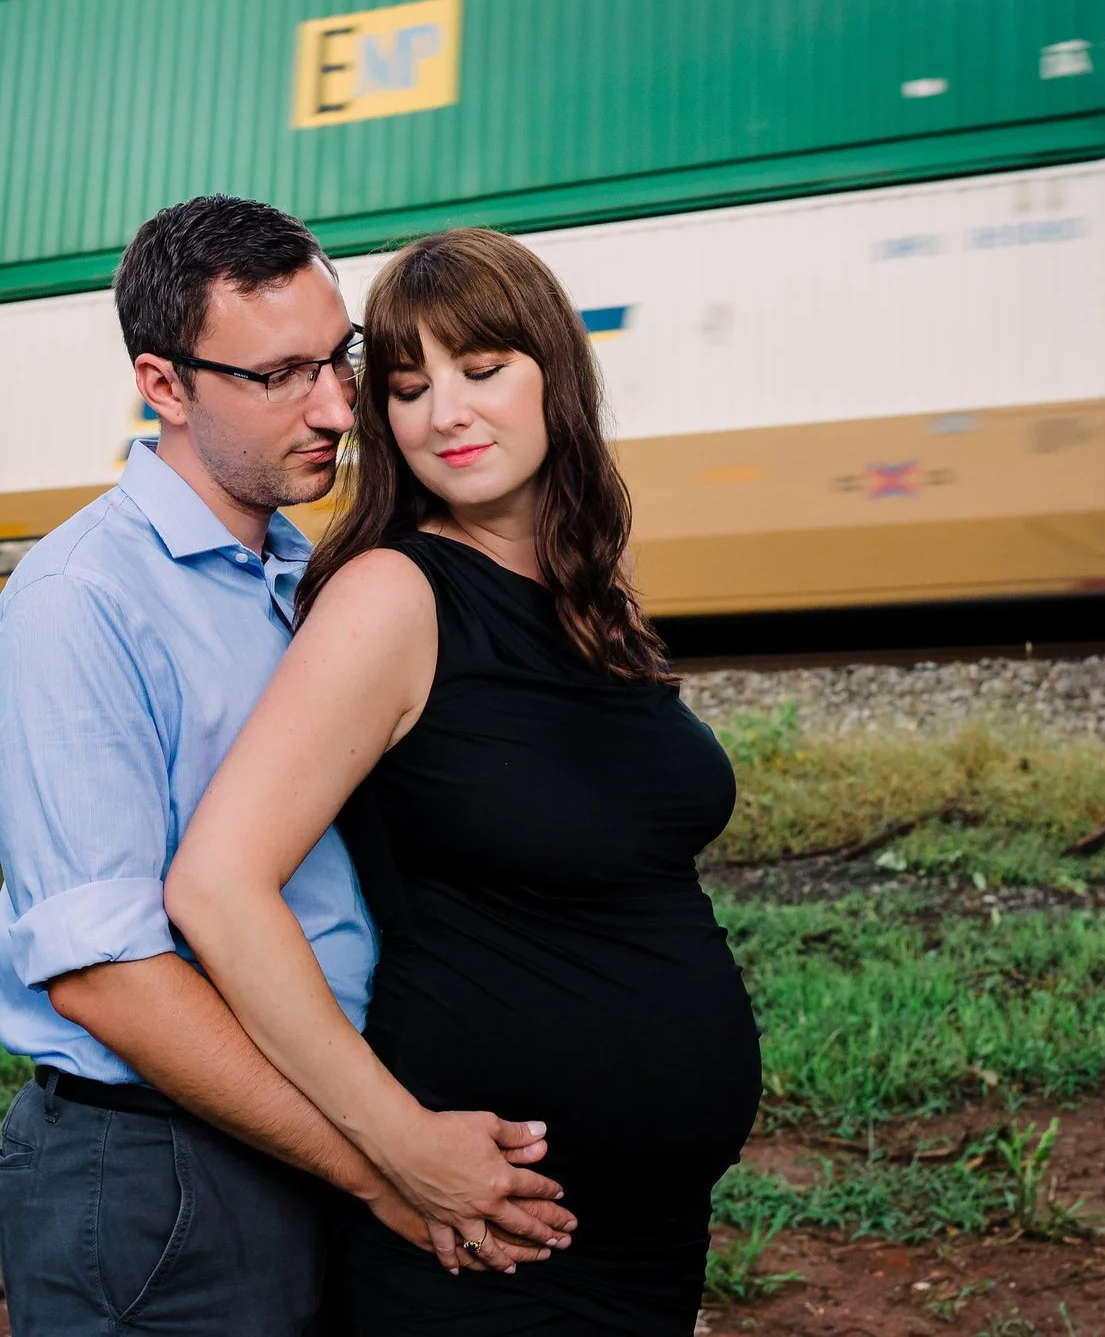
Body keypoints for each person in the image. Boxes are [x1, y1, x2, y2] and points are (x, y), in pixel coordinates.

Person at [0, 197, 573, 1337]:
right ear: (164, 384)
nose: (339, 407)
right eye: (282, 375)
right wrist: (382, 1158)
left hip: (309, 1132)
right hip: (164, 1171)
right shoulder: (79, 603)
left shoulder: (302, 574)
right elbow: (105, 972)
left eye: (339, 358)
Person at [167, 226, 763, 1335]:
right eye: (407, 388)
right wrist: (395, 1140)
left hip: (650, 1237)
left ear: (555, 372)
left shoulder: (590, 592)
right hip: (482, 1242)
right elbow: (216, 885)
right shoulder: (395, 594)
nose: (444, 413)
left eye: (481, 369)